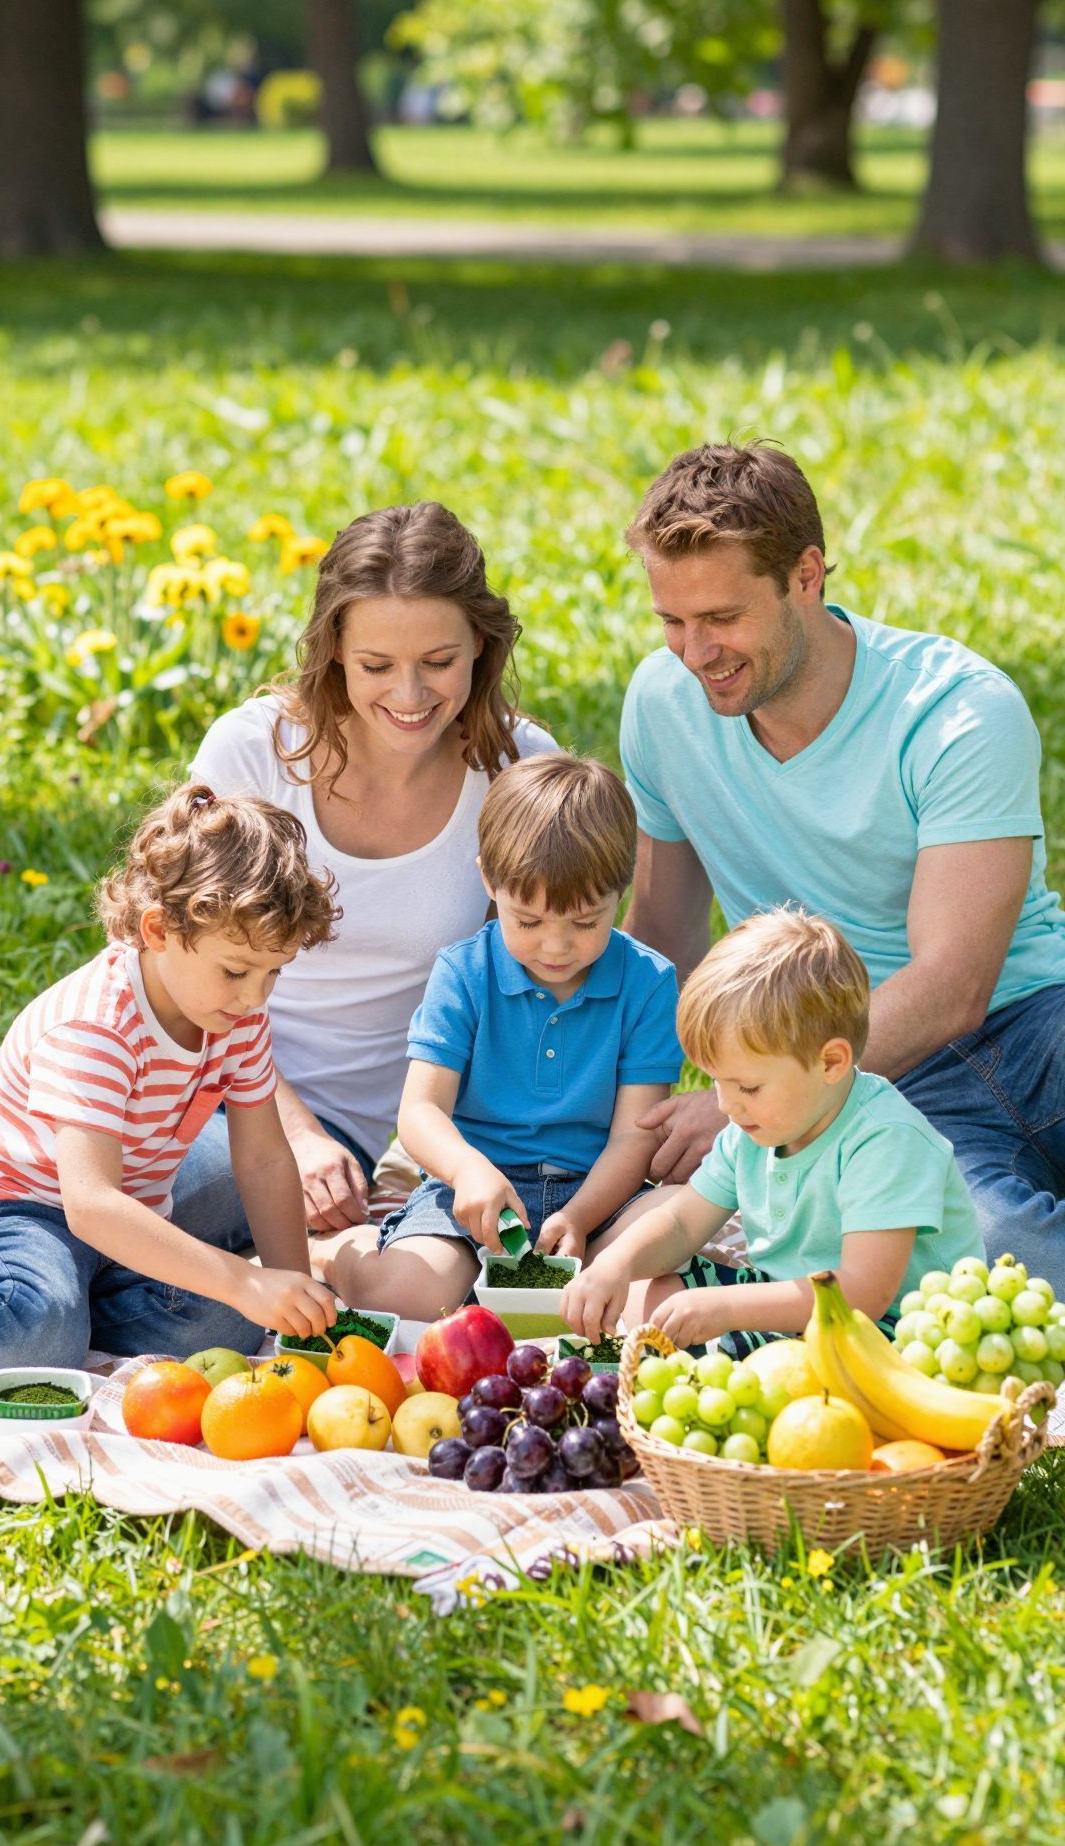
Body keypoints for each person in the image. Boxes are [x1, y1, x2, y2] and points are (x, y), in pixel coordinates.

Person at [0, 503, 555, 1251]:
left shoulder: (518, 774)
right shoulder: (257, 751)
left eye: (438, 663)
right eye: (377, 666)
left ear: (481, 642)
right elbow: (159, 942)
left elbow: (528, 975)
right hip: (155, 1075)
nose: (409, 697)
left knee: (172, 1203)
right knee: (30, 1163)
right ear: (335, 651)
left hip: (325, 1129)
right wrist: (296, 1130)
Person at [618, 442, 1065, 1284]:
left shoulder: (956, 711)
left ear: (806, 576)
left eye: (721, 618)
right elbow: (662, 934)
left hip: (1035, 1019)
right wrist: (625, 1121)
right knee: (1000, 1262)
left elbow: (952, 990)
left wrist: (753, 1106)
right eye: (672, 622)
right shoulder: (663, 705)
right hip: (868, 1080)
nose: (695, 652)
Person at [0, 785, 339, 1370]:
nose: (255, 996)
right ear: (160, 930)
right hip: (18, 1206)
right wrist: (243, 1282)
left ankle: (75, 1305)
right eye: (238, 970)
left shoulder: (235, 1012)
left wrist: (293, 1293)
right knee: (31, 1333)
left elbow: (264, 1158)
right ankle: (37, 1310)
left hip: (134, 1203)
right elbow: (88, 1204)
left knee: (233, 1321)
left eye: (273, 973)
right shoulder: (97, 1025)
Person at [316, 753, 682, 1318]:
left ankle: (581, 1282)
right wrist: (467, 1171)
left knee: (659, 1291)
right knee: (406, 1295)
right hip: (475, 1194)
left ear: (622, 889)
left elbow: (634, 1139)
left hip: (601, 1197)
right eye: (528, 922)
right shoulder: (464, 972)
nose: (556, 948)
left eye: (586, 922)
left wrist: (580, 1219)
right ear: (489, 878)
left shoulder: (649, 982)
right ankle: (340, 1254)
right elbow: (420, 1112)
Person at [563, 909, 983, 1351]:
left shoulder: (884, 1141)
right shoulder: (754, 1128)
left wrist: (725, 1308)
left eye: (747, 1086)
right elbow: (682, 1223)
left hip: (896, 1330)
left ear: (830, 1063)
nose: (725, 1104)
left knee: (722, 1344)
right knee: (656, 1292)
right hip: (793, 1298)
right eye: (715, 1081)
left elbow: (863, 1295)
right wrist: (616, 1264)